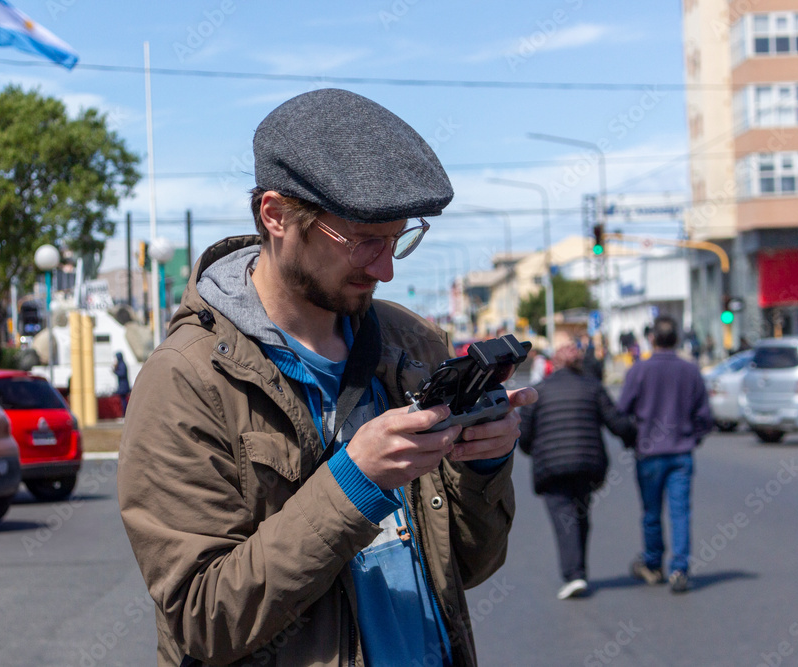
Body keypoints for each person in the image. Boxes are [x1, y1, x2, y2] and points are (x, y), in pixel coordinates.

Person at [117, 88, 536, 667]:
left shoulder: (410, 343)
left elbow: (469, 565)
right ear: (276, 215)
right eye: (365, 242)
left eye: (397, 240)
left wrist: (482, 467)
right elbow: (201, 620)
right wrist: (352, 484)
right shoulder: (185, 380)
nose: (385, 269)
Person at [518, 343, 635, 600]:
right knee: (581, 514)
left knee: (563, 516)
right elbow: (615, 422)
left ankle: (574, 575)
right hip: (587, 463)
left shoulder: (538, 392)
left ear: (553, 364)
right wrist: (636, 435)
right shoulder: (592, 387)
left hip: (551, 466)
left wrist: (533, 451)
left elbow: (523, 435)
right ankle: (579, 571)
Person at [617, 315, 712, 594]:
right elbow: (705, 417)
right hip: (681, 452)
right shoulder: (690, 370)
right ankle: (679, 568)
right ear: (678, 340)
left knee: (651, 513)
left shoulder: (639, 370)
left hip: (649, 452)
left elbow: (621, 411)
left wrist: (633, 439)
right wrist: (691, 438)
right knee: (680, 512)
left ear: (652, 338)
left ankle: (653, 563)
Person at [112, 351, 130, 415]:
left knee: (124, 401)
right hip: (122, 385)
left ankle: (125, 414)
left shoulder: (122, 364)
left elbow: (122, 374)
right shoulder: (121, 364)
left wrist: (115, 372)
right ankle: (124, 413)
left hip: (123, 386)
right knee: (123, 400)